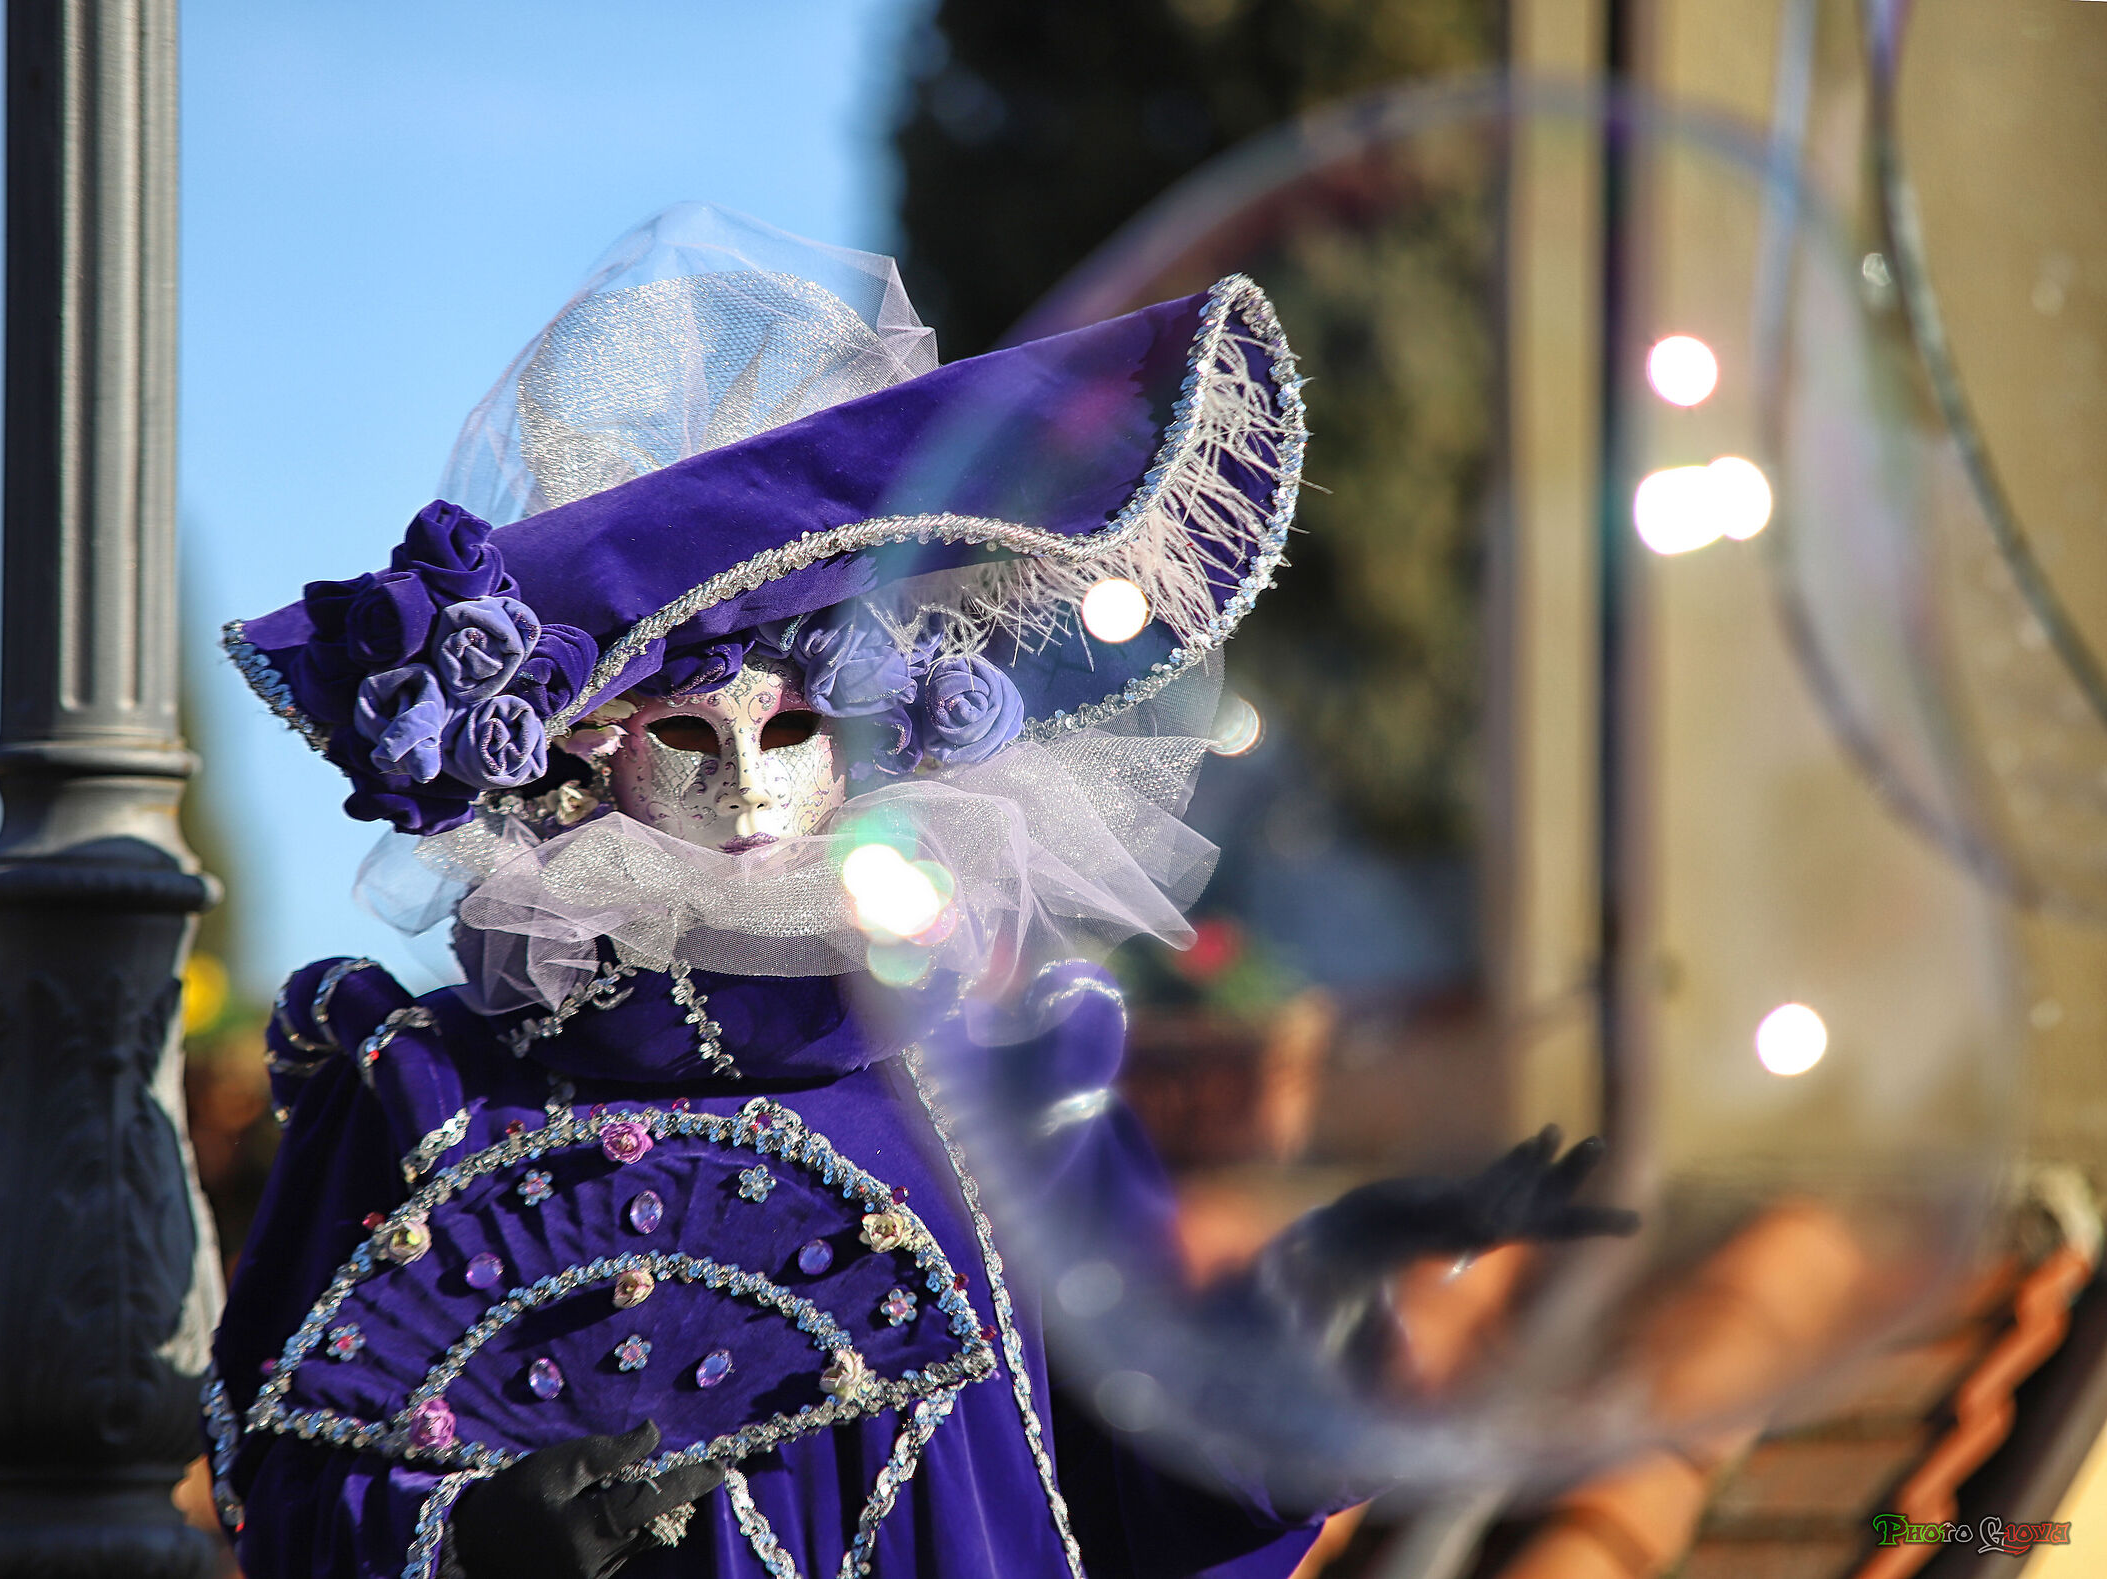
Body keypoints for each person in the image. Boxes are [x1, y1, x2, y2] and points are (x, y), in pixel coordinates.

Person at [204, 205, 1629, 1579]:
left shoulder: (1001, 1089)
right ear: (582, 756)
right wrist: (471, 1544)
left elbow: (1141, 1478)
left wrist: (1319, 1287)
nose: (747, 790)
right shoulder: (426, 1093)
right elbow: (286, 1480)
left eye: (792, 729)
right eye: (687, 735)